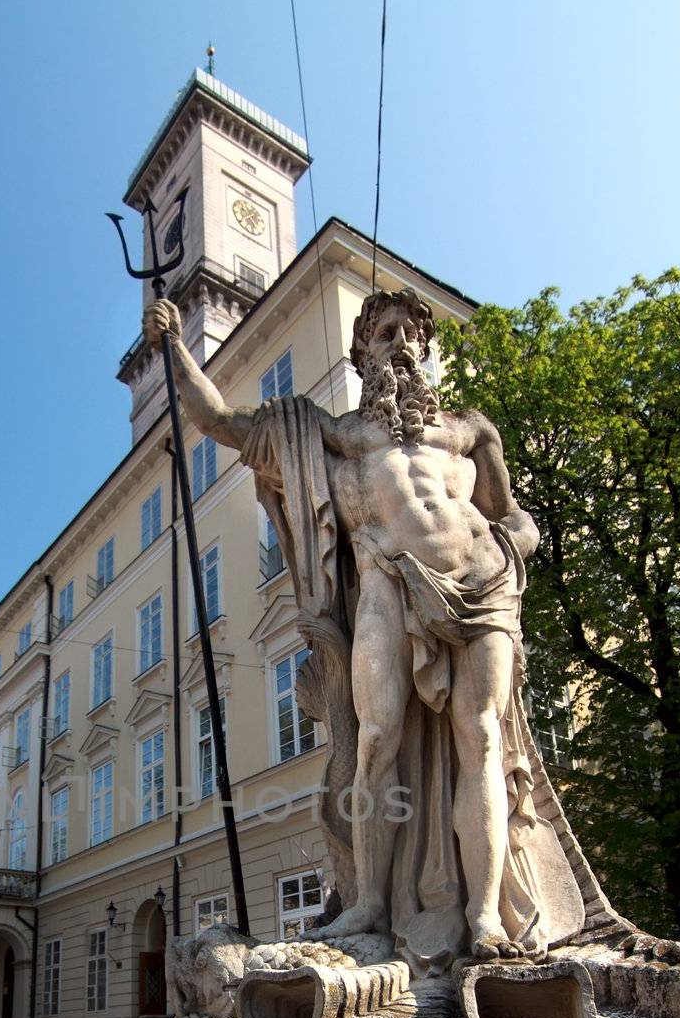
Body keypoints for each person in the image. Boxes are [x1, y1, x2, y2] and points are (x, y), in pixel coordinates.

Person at [143, 291, 621, 970]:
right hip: (384, 588)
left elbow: (518, 520)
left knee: (479, 738)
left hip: (482, 593)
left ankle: (484, 915)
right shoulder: (325, 436)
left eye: (410, 335)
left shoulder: (470, 431)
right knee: (375, 737)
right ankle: (368, 901)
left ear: (425, 349)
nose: (399, 344)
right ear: (361, 351)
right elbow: (215, 418)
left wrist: (507, 550)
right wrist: (171, 346)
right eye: (384, 333)